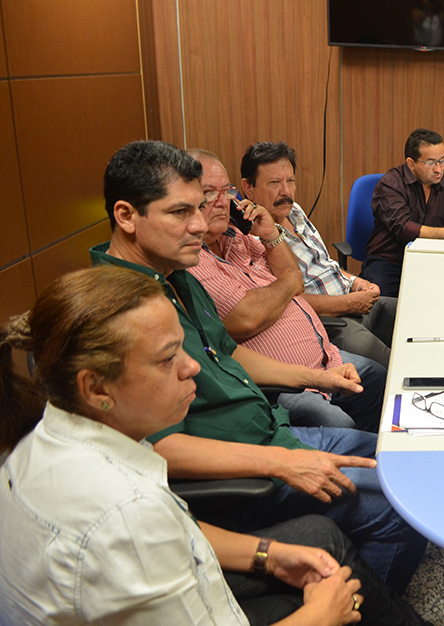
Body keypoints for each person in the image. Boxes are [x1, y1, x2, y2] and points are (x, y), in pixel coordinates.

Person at [0, 266, 425, 626]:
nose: (191, 368)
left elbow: (182, 531)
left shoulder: (51, 439)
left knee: (318, 538)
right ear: (95, 387)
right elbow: (155, 532)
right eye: (168, 359)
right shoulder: (127, 514)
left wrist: (269, 555)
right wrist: (318, 618)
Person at [89, 140, 425, 593]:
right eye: (179, 212)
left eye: (203, 204)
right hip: (240, 470)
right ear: (127, 216)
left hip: (271, 430)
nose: (198, 224)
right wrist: (283, 461)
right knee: (398, 503)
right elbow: (150, 448)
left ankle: (346, 580)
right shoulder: (118, 312)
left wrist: (318, 376)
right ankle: (351, 605)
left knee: (399, 461)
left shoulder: (174, 276)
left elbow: (228, 353)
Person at [187, 149, 384, 432]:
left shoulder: (240, 237)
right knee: (338, 424)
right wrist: (287, 285)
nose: (222, 203)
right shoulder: (194, 258)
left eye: (225, 191)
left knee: (379, 379)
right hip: (282, 385)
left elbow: (296, 281)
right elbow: (247, 317)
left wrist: (270, 235)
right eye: (209, 193)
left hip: (327, 356)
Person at [239, 142, 396, 369]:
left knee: (419, 315)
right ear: (248, 188)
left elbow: (323, 263)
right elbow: (286, 301)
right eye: (274, 183)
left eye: (290, 181)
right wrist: (347, 303)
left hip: (353, 301)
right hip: (329, 321)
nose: (286, 191)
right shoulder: (252, 240)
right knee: (393, 365)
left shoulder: (295, 211)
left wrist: (356, 282)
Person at [361, 128, 444, 297]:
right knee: (383, 307)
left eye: (442, 161)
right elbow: (404, 228)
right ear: (411, 163)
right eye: (431, 163)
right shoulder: (390, 184)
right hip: (390, 262)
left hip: (432, 258)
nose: (438, 169)